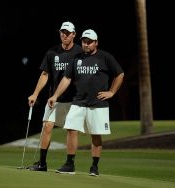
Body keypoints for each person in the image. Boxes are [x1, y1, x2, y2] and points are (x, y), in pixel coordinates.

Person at [48, 29, 124, 176]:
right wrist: (55, 95)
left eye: (89, 42)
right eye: (84, 41)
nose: (86, 44)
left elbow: (120, 74)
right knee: (71, 129)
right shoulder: (76, 58)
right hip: (78, 102)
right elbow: (67, 78)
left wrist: (112, 92)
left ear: (96, 43)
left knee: (95, 134)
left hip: (98, 103)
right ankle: (69, 164)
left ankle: (94, 166)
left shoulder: (105, 57)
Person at [27, 21, 82, 171]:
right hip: (54, 99)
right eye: (62, 32)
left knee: (72, 130)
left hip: (74, 99)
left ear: (74, 34)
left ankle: (70, 164)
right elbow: (45, 74)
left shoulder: (80, 52)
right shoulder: (52, 52)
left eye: (67, 32)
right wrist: (35, 93)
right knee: (47, 126)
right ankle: (42, 163)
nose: (64, 35)